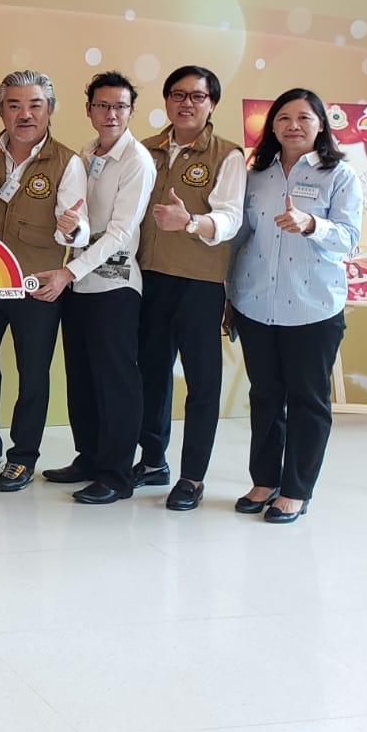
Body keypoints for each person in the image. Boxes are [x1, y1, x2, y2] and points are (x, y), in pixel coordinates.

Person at [230, 88, 362, 523]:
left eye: (304, 117)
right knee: (265, 396)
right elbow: (241, 236)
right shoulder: (257, 173)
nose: (293, 126)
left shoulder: (340, 175)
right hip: (255, 303)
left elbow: (349, 239)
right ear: (272, 126)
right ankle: (265, 480)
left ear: (321, 124)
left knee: (308, 400)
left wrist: (311, 224)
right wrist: (226, 293)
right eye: (283, 118)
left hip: (313, 308)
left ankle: (297, 490)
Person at [0, 70, 88, 492]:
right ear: (1, 111)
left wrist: (73, 230)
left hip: (37, 286)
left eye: (35, 105)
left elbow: (78, 226)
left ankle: (23, 456)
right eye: (14, 105)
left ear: (50, 110)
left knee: (32, 374)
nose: (25, 115)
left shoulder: (68, 162)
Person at [37, 72, 155, 504]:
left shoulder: (137, 161)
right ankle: (88, 457)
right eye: (102, 105)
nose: (111, 114)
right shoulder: (86, 153)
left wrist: (69, 272)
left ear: (131, 111)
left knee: (115, 381)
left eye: (120, 106)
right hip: (80, 283)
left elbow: (121, 233)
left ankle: (116, 475)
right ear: (88, 109)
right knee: (82, 376)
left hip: (114, 286)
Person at [134, 66, 244, 510]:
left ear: (211, 104)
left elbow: (231, 217)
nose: (187, 103)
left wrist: (192, 222)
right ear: (166, 101)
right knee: (151, 373)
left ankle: (192, 477)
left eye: (198, 96)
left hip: (200, 284)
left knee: (202, 384)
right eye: (178, 95)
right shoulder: (146, 150)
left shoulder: (227, 155)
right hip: (149, 277)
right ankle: (152, 461)